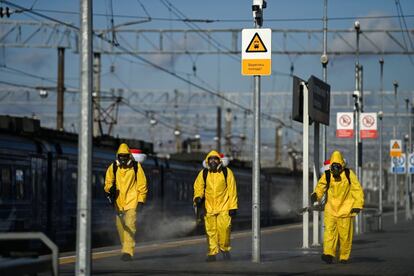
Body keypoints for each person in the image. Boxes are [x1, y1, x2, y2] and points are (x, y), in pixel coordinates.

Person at [311, 150, 364, 264]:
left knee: (345, 236)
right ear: (331, 167)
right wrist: (316, 195)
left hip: (345, 210)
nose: (335, 172)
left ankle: (344, 256)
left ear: (341, 166)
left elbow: (357, 190)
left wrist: (357, 205)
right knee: (329, 232)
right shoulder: (328, 175)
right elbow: (321, 187)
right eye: (333, 168)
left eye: (337, 169)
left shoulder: (349, 174)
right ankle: (329, 254)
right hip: (330, 209)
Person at [104, 143, 148, 261]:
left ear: (129, 156)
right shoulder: (113, 167)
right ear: (118, 156)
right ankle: (126, 246)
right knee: (120, 226)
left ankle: (127, 251)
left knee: (130, 225)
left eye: (125, 156)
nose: (123, 159)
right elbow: (108, 183)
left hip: (132, 201)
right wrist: (109, 189)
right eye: (121, 156)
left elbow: (142, 185)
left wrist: (141, 200)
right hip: (118, 203)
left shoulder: (136, 167)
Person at [193, 150, 238, 262]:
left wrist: (233, 207)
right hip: (209, 208)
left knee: (224, 230)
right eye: (210, 159)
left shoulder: (227, 172)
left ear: (219, 161)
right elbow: (198, 188)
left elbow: (232, 191)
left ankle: (224, 248)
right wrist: (198, 197)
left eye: (215, 159)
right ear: (207, 161)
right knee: (210, 231)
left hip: (224, 207)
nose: (213, 161)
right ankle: (212, 253)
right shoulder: (203, 173)